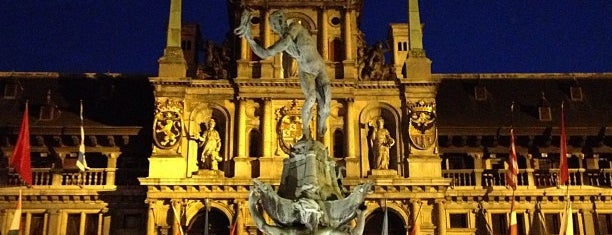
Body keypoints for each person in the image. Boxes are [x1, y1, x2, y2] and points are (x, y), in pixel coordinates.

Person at [234, 10, 331, 141]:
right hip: (305, 70)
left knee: (325, 103)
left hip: (319, 68)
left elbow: (277, 47)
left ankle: (322, 119)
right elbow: (265, 54)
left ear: (281, 20)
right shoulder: (285, 42)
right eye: (272, 25)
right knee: (311, 98)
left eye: (274, 24)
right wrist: (250, 39)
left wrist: (272, 46)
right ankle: (306, 131)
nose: (274, 28)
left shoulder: (295, 27)